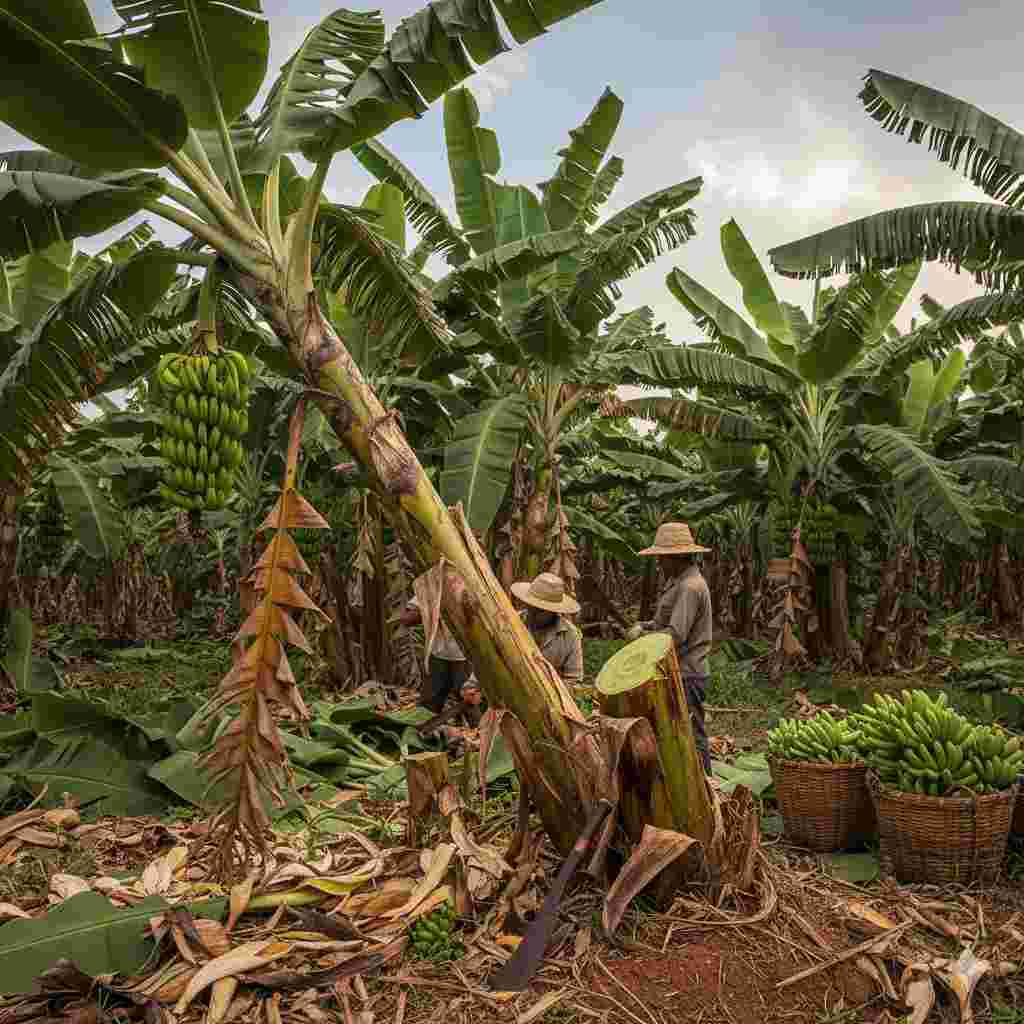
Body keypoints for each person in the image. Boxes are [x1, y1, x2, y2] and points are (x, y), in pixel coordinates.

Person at [627, 523, 713, 774]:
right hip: (676, 670)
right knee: (676, 731)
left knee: (692, 733)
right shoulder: (679, 582)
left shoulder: (690, 587)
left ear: (675, 557)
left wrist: (643, 636)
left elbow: (674, 635)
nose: (659, 564)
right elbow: (663, 623)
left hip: (687, 673)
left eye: (662, 558)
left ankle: (708, 788)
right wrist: (644, 625)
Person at [400, 593, 479, 725]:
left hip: (465, 656)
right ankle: (422, 735)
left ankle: (480, 739)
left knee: (469, 701)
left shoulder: (471, 585)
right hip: (437, 655)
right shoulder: (434, 585)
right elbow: (406, 619)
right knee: (429, 704)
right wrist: (433, 608)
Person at [510, 571, 584, 684]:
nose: (533, 612)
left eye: (540, 610)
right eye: (531, 606)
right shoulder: (511, 622)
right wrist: (474, 686)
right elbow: (489, 657)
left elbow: (574, 680)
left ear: (553, 611)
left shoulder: (570, 636)